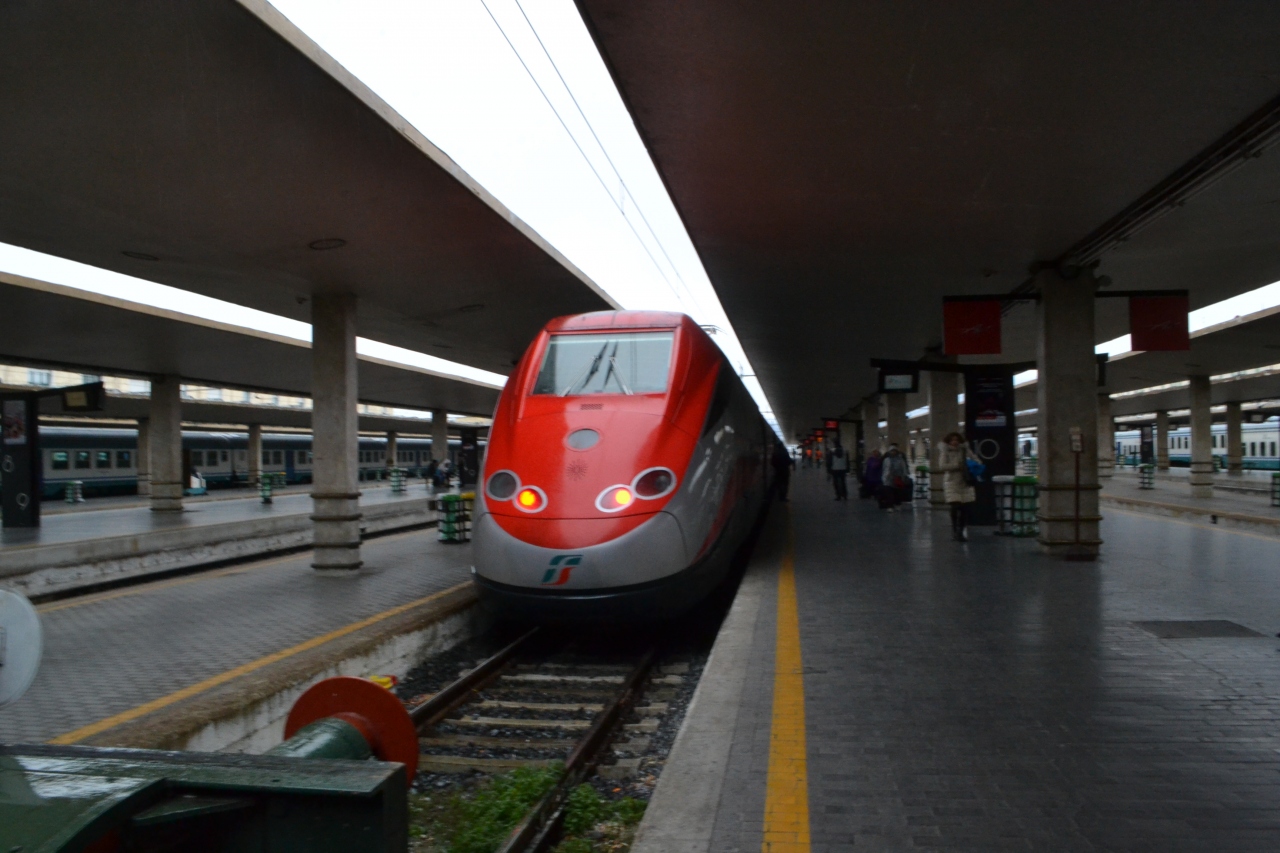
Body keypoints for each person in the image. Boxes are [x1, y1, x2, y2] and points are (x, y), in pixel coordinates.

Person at [935, 432, 979, 541]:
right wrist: (957, 466)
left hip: (965, 482)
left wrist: (972, 465)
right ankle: (955, 530)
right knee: (955, 506)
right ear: (948, 442)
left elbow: (977, 460)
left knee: (965, 509)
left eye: (956, 440)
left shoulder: (965, 450)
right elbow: (942, 466)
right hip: (951, 482)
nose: (954, 442)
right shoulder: (945, 451)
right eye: (952, 440)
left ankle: (960, 531)